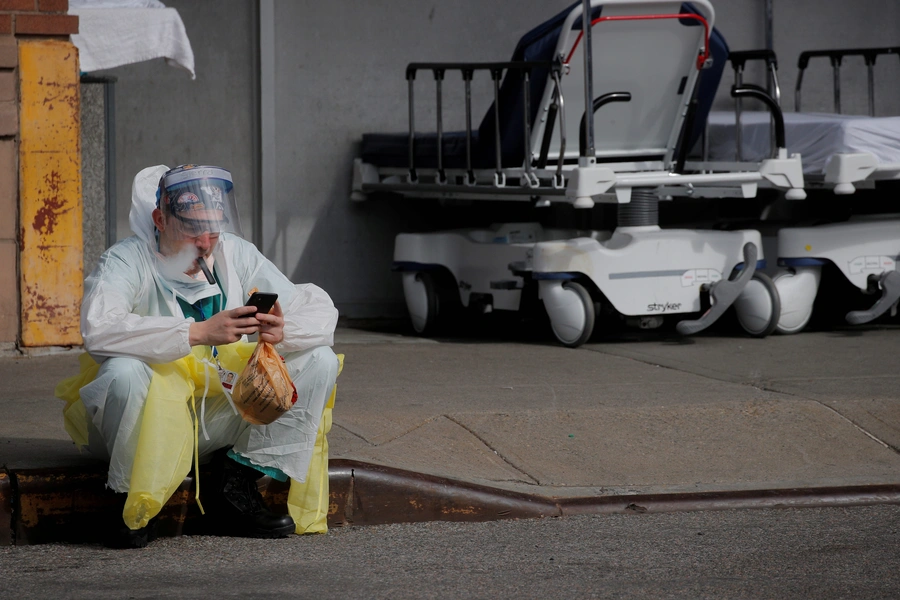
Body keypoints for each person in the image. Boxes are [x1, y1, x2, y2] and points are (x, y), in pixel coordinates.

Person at [71, 164, 339, 548]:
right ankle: (129, 498)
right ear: (159, 220)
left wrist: (284, 330)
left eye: (213, 230)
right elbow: (98, 327)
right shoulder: (126, 260)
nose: (205, 244)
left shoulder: (234, 254)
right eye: (192, 231)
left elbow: (316, 310)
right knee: (124, 372)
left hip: (218, 413)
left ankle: (235, 483)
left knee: (320, 360)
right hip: (146, 422)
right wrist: (196, 332)